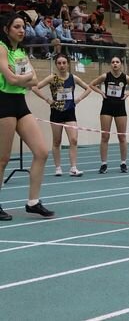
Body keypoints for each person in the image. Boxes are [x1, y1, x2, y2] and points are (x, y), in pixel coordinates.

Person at [0, 14, 55, 220]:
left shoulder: (21, 52)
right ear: (7, 29)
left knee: (41, 151)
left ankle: (33, 202)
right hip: (3, 102)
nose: (21, 30)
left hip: (20, 104)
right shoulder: (1, 48)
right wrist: (23, 78)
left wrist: (21, 79)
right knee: (2, 159)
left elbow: (35, 81)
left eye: (23, 27)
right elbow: (11, 79)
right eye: (17, 26)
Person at [31, 53, 92, 177]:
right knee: (57, 141)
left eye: (64, 63)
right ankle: (58, 167)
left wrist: (78, 99)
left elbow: (88, 88)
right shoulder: (52, 78)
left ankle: (73, 168)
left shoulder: (73, 78)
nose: (62, 65)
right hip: (56, 113)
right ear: (56, 65)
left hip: (70, 112)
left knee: (73, 140)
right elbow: (34, 88)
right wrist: (47, 100)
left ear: (68, 64)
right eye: (59, 63)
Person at [89, 56, 129, 174]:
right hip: (107, 107)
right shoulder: (105, 76)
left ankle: (123, 163)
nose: (115, 64)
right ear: (110, 65)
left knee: (122, 137)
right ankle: (103, 164)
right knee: (105, 137)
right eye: (113, 62)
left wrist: (128, 93)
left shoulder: (125, 77)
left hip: (120, 108)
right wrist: (101, 92)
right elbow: (92, 84)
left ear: (121, 64)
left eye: (117, 62)